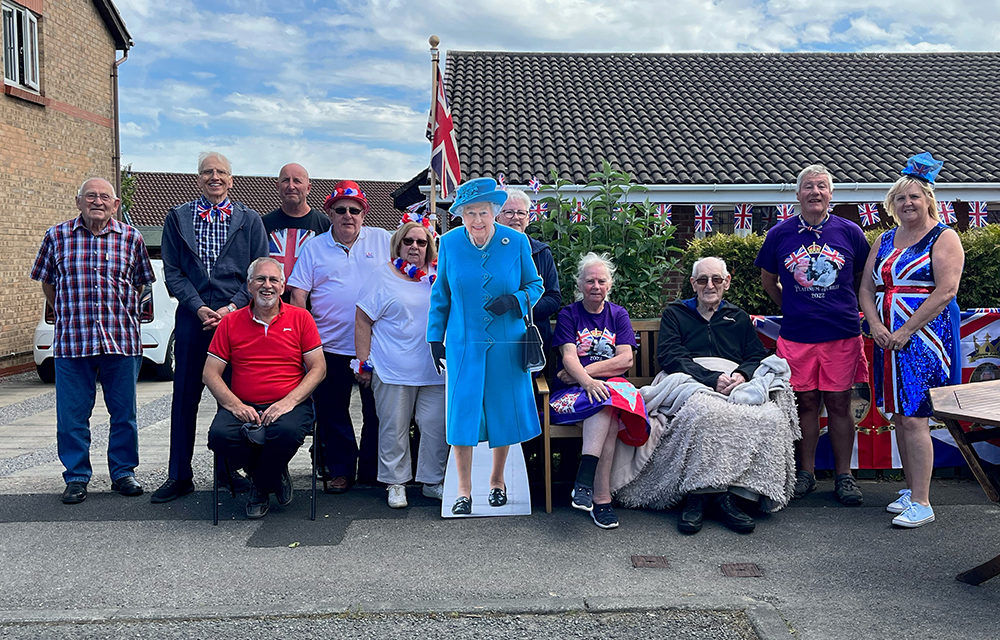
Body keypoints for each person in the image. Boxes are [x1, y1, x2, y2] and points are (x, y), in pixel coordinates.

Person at [30, 178, 155, 504]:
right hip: (73, 342)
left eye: (104, 197)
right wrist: (68, 312)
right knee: (71, 417)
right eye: (90, 196)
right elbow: (47, 284)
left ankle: (123, 473)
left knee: (124, 414)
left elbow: (139, 285)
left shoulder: (132, 238)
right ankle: (76, 477)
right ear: (78, 202)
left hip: (121, 341)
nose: (97, 201)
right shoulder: (56, 237)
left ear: (115, 205)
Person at [153, 152, 268, 503]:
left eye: (221, 172)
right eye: (207, 172)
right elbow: (172, 270)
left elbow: (259, 269)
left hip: (237, 323)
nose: (214, 177)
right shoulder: (177, 217)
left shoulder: (250, 220)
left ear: (231, 180)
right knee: (185, 399)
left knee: (231, 399)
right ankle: (179, 476)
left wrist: (232, 307)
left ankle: (227, 473)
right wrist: (199, 306)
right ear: (198, 178)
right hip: (193, 322)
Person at [755, 164, 870, 506]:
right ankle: (805, 473)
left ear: (831, 195)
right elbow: (767, 281)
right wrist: (791, 307)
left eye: (821, 187)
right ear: (797, 194)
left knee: (838, 403)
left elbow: (863, 278)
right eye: (808, 187)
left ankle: (844, 477)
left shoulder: (849, 232)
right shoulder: (779, 234)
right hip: (797, 336)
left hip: (841, 334)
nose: (815, 193)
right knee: (803, 403)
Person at [426, 177, 543, 515]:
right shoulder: (448, 244)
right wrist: (435, 338)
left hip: (507, 342)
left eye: (483, 212)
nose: (477, 220)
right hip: (465, 343)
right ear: (460, 215)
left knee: (503, 412)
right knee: (462, 415)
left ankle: (497, 481)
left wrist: (516, 300)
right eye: (470, 213)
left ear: (494, 212)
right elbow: (441, 294)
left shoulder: (516, 243)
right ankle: (463, 491)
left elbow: (536, 285)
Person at [858, 153, 963, 528]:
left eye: (914, 196)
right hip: (886, 337)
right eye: (901, 198)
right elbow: (867, 287)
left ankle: (923, 500)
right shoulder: (885, 238)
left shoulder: (944, 236)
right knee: (899, 415)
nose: (907, 203)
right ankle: (911, 488)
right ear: (892, 203)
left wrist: (905, 330)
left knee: (916, 416)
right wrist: (875, 325)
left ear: (928, 199)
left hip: (923, 340)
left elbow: (946, 291)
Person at [653, 257, 790, 534]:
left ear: (726, 282)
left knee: (768, 417)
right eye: (702, 280)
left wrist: (741, 374)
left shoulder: (737, 317)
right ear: (693, 284)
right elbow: (670, 355)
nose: (709, 285)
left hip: (732, 380)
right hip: (688, 378)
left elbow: (754, 355)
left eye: (716, 279)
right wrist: (711, 379)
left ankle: (736, 495)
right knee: (706, 413)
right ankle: (698, 494)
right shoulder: (675, 313)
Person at [287, 180, 390, 492]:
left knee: (379, 411)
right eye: (341, 209)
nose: (348, 215)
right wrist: (305, 342)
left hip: (376, 347)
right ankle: (342, 470)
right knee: (333, 413)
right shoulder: (314, 247)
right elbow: (299, 296)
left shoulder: (383, 239)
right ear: (329, 213)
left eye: (355, 210)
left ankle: (373, 471)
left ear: (364, 214)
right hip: (329, 347)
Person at [204, 257, 326, 518]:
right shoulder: (230, 322)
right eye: (260, 279)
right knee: (219, 436)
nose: (267, 285)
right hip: (244, 404)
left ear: (283, 287)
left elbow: (318, 368)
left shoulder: (301, 318)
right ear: (249, 285)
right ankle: (274, 470)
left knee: (285, 432)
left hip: (289, 404)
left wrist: (288, 402)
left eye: (273, 280)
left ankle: (260, 487)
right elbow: (210, 373)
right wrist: (235, 406)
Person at [548, 253, 649, 529]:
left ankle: (585, 484)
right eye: (590, 280)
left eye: (601, 281)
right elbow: (568, 355)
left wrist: (581, 376)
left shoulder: (618, 315)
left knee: (605, 402)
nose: (595, 285)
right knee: (607, 409)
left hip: (600, 389)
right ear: (579, 285)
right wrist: (587, 382)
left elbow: (625, 359)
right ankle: (601, 499)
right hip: (569, 398)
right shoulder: (569, 314)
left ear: (610, 285)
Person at [355, 221, 447, 508]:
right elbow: (362, 319)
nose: (414, 247)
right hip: (392, 367)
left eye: (421, 243)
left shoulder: (438, 276)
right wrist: (363, 362)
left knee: (435, 426)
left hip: (435, 369)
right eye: (408, 241)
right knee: (394, 428)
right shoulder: (382, 276)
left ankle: (433, 481)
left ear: (429, 247)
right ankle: (396, 483)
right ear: (398, 245)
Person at [496, 188, 561, 352]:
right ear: (497, 216)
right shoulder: (487, 253)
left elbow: (553, 298)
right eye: (509, 212)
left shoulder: (541, 253)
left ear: (528, 218)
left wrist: (518, 308)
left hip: (531, 341)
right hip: (497, 336)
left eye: (520, 213)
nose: (515, 217)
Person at [262, 163, 330, 293]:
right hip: (272, 306)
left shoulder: (325, 225)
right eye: (285, 180)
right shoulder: (263, 224)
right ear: (277, 186)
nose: (291, 186)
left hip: (312, 307)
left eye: (297, 181)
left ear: (308, 188)